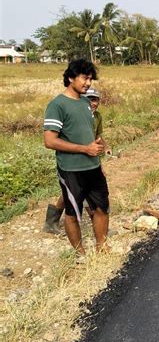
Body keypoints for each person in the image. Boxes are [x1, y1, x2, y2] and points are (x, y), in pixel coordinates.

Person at [43, 59, 109, 255]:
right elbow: (50, 141)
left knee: (102, 208)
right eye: (84, 78)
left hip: (93, 167)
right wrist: (84, 149)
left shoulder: (86, 103)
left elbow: (90, 134)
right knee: (73, 213)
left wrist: (98, 150)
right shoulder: (57, 105)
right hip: (71, 170)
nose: (88, 83)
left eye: (90, 79)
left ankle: (102, 247)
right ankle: (80, 254)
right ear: (71, 77)